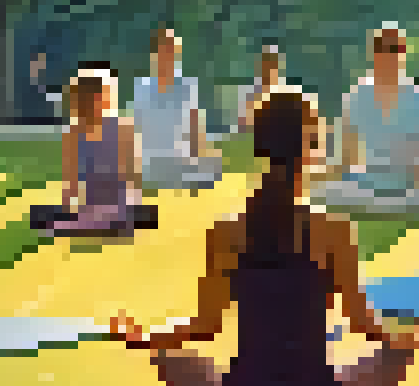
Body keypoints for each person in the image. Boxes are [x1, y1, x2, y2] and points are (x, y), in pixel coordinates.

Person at [107, 86, 419, 386]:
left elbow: (204, 327)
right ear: (311, 149)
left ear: (260, 146)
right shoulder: (334, 230)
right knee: (394, 357)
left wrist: (147, 338)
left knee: (179, 368)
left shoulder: (227, 233)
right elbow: (364, 324)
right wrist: (407, 341)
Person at [318, 26, 419, 213]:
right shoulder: (357, 94)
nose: (389, 55)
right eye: (382, 49)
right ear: (373, 54)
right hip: (367, 182)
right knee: (324, 191)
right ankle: (385, 204)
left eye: (395, 49)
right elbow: (346, 155)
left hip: (409, 185)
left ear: (403, 53)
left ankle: (386, 204)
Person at [33, 65, 158, 235]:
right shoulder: (74, 133)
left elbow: (133, 178)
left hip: (117, 210)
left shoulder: (122, 128)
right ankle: (105, 222)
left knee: (50, 219)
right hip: (97, 210)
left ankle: (108, 222)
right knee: (41, 215)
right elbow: (71, 187)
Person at [133, 28, 219, 192]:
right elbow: (137, 132)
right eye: (164, 51)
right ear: (155, 54)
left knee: (213, 164)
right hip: (153, 163)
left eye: (172, 51)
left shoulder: (187, 86)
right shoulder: (143, 88)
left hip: (181, 159)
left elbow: (196, 130)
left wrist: (200, 156)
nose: (168, 57)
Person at [237, 46, 285, 134]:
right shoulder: (251, 92)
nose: (269, 68)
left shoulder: (288, 91)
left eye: (272, 64)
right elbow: (243, 123)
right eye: (266, 62)